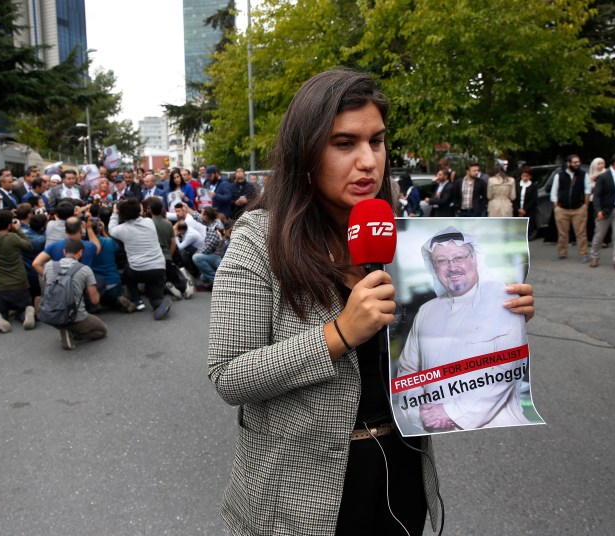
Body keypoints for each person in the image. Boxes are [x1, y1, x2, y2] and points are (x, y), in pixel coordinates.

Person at [206, 69, 535, 535]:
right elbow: (229, 375)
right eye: (345, 144)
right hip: (298, 491)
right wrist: (338, 334)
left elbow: (435, 345)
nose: (368, 161)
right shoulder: (259, 240)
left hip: (402, 469)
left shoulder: (398, 235)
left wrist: (500, 311)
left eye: (376, 141)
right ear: (306, 152)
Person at [395, 227, 531, 432]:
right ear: (433, 267)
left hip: (498, 428)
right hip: (432, 430)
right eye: (441, 261)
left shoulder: (503, 302)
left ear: (474, 259)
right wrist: (420, 411)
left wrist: (450, 412)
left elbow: (506, 370)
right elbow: (408, 370)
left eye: (459, 257)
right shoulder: (426, 311)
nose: (451, 267)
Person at [108, 197, 172, 320]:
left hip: (138, 270)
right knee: (155, 296)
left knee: (127, 272)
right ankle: (158, 304)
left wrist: (115, 213)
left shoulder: (121, 230)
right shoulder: (149, 222)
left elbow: (111, 229)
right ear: (139, 211)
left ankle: (137, 300)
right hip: (158, 268)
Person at [42, 238, 107, 350]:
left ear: (64, 252)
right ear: (81, 253)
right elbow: (94, 300)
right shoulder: (85, 270)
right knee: (102, 330)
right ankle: (73, 332)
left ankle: (63, 328)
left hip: (50, 314)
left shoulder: (49, 266)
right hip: (74, 316)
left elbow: (46, 287)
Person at [0, 210, 36, 333]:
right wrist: (18, 230)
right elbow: (29, 246)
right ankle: (26, 312)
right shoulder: (12, 238)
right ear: (9, 225)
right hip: (20, 283)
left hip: (0, 286)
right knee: (22, 307)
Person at [550, 155, 589, 261]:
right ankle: (562, 253)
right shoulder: (560, 176)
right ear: (568, 163)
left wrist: (585, 205)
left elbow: (587, 190)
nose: (577, 164)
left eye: (578, 162)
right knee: (562, 233)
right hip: (562, 209)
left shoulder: (584, 175)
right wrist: (556, 205)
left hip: (579, 209)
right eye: (575, 162)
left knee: (581, 233)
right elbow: (554, 191)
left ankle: (584, 253)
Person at [513, 165, 538, 237]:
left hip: (528, 211)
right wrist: (518, 209)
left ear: (530, 176)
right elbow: (513, 197)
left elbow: (534, 199)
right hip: (517, 210)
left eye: (527, 176)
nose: (525, 178)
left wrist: (525, 209)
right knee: (517, 229)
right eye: (523, 176)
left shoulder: (533, 186)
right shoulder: (517, 184)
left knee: (527, 229)